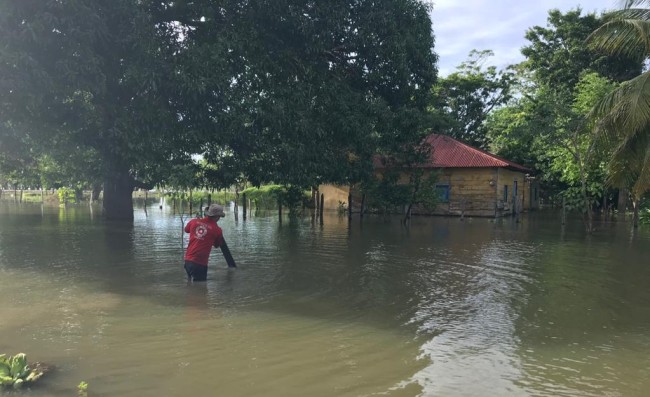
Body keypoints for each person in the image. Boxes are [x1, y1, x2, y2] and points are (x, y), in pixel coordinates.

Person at [183, 203, 226, 281]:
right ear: (217, 217)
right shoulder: (217, 230)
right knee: (201, 290)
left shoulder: (194, 221)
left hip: (187, 261)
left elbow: (186, 230)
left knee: (190, 285)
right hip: (200, 263)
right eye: (219, 216)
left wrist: (199, 223)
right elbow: (217, 245)